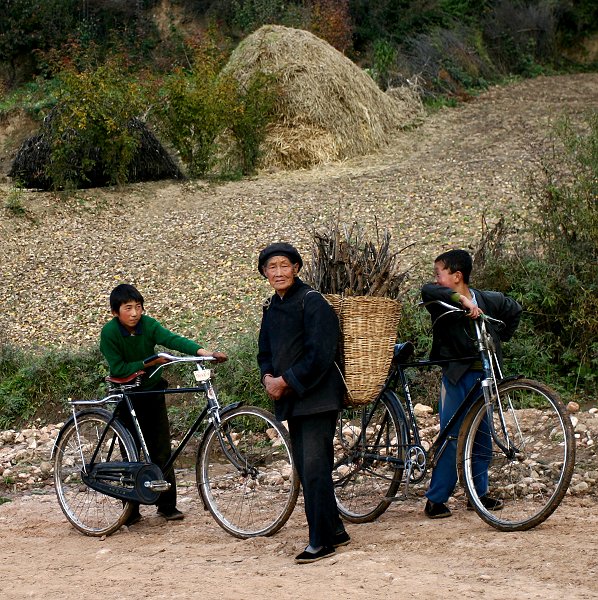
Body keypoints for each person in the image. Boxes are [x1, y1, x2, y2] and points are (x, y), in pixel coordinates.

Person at [99, 283, 227, 525]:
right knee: (131, 451)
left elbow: (172, 339)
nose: (135, 313)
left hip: (152, 392)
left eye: (138, 307)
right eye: (128, 308)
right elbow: (117, 368)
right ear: (116, 312)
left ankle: (167, 506)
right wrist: (147, 363)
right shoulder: (109, 333)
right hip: (127, 394)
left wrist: (202, 351)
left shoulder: (149, 325)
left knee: (161, 449)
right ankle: (130, 510)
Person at [256, 242, 349, 564]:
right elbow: (264, 352)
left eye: (284, 265)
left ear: (296, 267)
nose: (279, 272)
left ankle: (320, 541)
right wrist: (268, 377)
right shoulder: (271, 308)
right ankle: (335, 530)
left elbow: (321, 354)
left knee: (313, 470)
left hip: (318, 398)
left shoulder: (313, 302)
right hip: (293, 400)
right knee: (310, 468)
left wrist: (287, 381)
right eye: (272, 267)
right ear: (265, 273)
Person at [421, 249, 522, 519]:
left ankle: (478, 494)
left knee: (483, 436)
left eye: (439, 273)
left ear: (457, 275)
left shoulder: (489, 299)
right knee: (452, 435)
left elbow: (514, 309)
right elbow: (429, 290)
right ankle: (436, 500)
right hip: (457, 376)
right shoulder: (439, 298)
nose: (436, 279)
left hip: (485, 379)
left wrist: (499, 334)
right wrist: (462, 301)